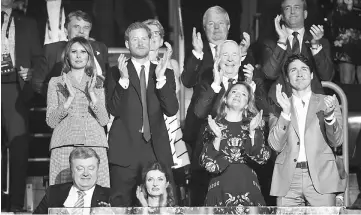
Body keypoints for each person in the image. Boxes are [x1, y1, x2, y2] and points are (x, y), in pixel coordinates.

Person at [105, 22, 178, 206]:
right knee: (120, 204)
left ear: (152, 41)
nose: (140, 43)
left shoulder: (164, 72)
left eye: (144, 38)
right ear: (127, 44)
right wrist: (123, 81)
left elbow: (172, 109)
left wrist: (160, 78)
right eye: (134, 39)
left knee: (160, 204)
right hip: (124, 151)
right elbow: (112, 110)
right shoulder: (115, 72)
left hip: (155, 152)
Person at [268, 54, 346, 206]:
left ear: (311, 75)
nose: (299, 73)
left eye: (304, 69)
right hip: (288, 179)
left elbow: (337, 140)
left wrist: (329, 117)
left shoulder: (328, 102)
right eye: (293, 70)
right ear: (287, 78)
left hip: (321, 175)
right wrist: (285, 113)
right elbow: (275, 145)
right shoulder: (278, 106)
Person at [46, 36, 110, 187]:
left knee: (97, 199)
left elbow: (104, 120)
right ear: (67, 55)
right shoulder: (56, 82)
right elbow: (51, 121)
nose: (79, 55)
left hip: (94, 143)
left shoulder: (97, 81)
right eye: (74, 51)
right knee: (62, 198)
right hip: (64, 144)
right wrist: (69, 99)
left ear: (89, 56)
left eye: (83, 51)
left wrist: (92, 94)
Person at [200, 82, 271, 207]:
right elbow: (209, 165)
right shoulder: (213, 126)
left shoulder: (254, 126)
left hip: (248, 189)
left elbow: (262, 158)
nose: (238, 95)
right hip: (219, 189)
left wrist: (252, 133)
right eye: (234, 91)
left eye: (243, 94)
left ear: (247, 104)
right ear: (225, 99)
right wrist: (217, 138)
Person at [1, 0, 42, 212]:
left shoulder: (27, 23)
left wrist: (32, 74)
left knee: (18, 148)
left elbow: (39, 60)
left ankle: (15, 204)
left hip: (14, 89)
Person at [261, 0, 334, 107]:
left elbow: (327, 76)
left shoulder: (321, 42)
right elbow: (269, 74)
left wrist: (315, 45)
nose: (292, 12)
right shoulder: (270, 43)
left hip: (313, 107)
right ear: (281, 16)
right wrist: (281, 42)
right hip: (279, 106)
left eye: (297, 7)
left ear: (305, 14)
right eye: (287, 8)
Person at [143, 19, 190, 170]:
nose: (152, 37)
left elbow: (173, 95)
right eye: (147, 33)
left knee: (171, 172)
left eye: (156, 33)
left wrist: (165, 64)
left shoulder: (172, 64)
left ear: (162, 39)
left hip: (168, 121)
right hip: (144, 123)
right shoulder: (134, 66)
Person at [32, 10, 109, 96]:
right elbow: (37, 83)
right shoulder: (51, 50)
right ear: (66, 30)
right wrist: (59, 95)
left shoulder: (101, 48)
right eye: (76, 27)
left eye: (86, 27)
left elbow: (107, 80)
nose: (81, 31)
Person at [33, 147, 111, 214]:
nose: (86, 173)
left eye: (91, 168)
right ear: (71, 170)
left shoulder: (111, 196)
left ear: (97, 170)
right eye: (80, 169)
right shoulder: (53, 193)